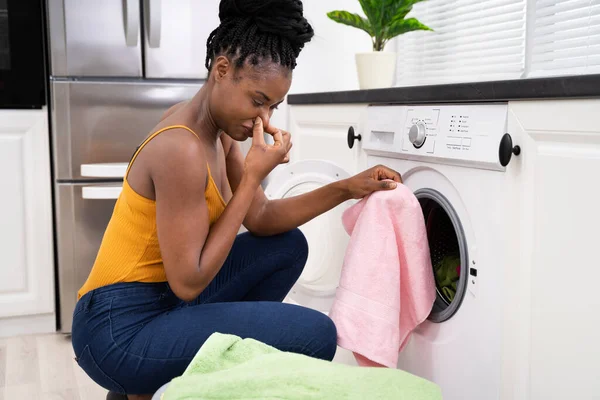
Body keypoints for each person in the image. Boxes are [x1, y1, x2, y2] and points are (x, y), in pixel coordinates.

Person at [71, 0, 402, 399]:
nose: (263, 119)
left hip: (159, 304)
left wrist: (349, 187)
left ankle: (168, 372)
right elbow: (189, 282)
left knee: (286, 245)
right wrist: (251, 179)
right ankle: (148, 377)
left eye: (273, 107)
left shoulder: (220, 131)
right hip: (116, 330)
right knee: (317, 335)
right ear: (222, 70)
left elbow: (260, 218)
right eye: (257, 100)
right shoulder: (182, 148)